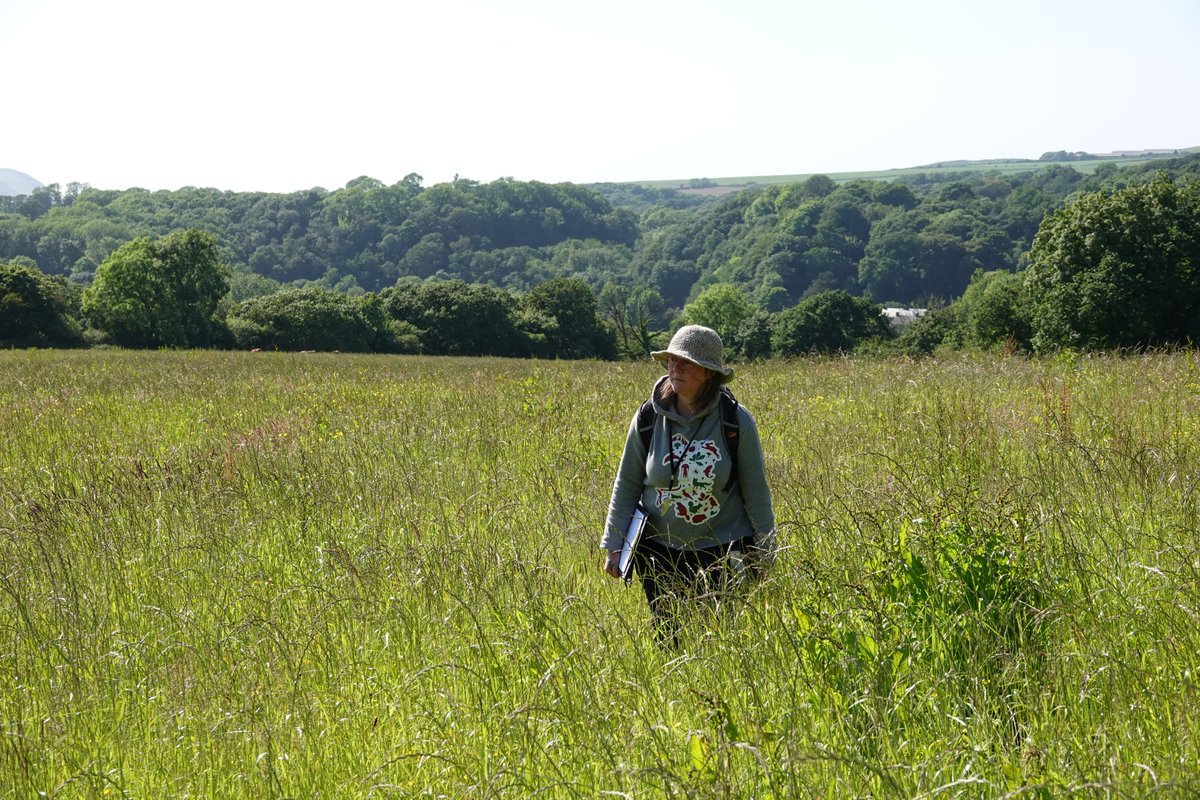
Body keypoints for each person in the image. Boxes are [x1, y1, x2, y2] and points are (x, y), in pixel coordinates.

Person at [601, 324, 775, 642]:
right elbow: (626, 482)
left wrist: (766, 552)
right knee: (669, 636)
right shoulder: (647, 419)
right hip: (658, 550)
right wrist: (614, 545)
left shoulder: (736, 422)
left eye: (686, 362)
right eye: (671, 359)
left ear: (709, 374)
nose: (675, 367)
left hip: (720, 550)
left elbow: (757, 492)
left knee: (717, 639)